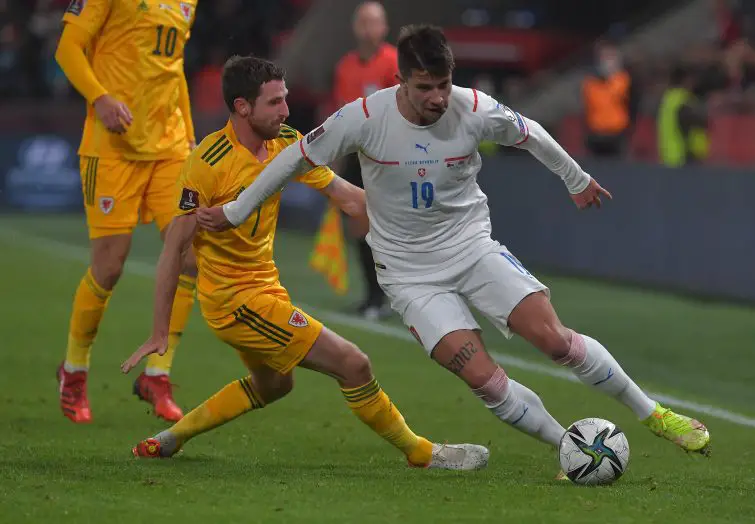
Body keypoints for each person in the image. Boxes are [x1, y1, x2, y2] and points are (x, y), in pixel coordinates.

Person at [198, 26, 712, 464]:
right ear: (400, 80)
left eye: (443, 84)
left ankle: (655, 413)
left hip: (472, 249)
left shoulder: (473, 108)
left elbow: (530, 133)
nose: (438, 98)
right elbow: (293, 159)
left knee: (556, 342)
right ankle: (572, 448)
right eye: (425, 87)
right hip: (409, 275)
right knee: (484, 379)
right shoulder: (364, 118)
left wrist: (575, 179)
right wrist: (237, 209)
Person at [120, 56, 488, 470]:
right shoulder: (208, 163)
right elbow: (173, 248)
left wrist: (418, 212)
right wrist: (158, 330)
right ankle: (423, 453)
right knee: (353, 363)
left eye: (285, 99)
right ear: (243, 107)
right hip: (235, 301)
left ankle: (169, 439)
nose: (286, 110)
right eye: (274, 102)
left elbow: (348, 197)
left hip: (265, 287)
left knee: (274, 385)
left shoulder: (286, 142)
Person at [53, 0, 199, 423]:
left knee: (191, 255)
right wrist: (99, 98)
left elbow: (174, 68)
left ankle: (158, 374)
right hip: (113, 149)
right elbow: (67, 47)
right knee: (109, 267)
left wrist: (188, 136)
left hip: (169, 148)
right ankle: (74, 371)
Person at [332, 1, 399, 320]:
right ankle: (373, 295)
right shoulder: (345, 65)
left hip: (390, 159)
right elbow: (341, 116)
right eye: (363, 21)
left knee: (393, 230)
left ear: (384, 28)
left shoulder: (393, 62)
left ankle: (404, 294)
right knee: (359, 227)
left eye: (374, 22)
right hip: (357, 157)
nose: (368, 28)